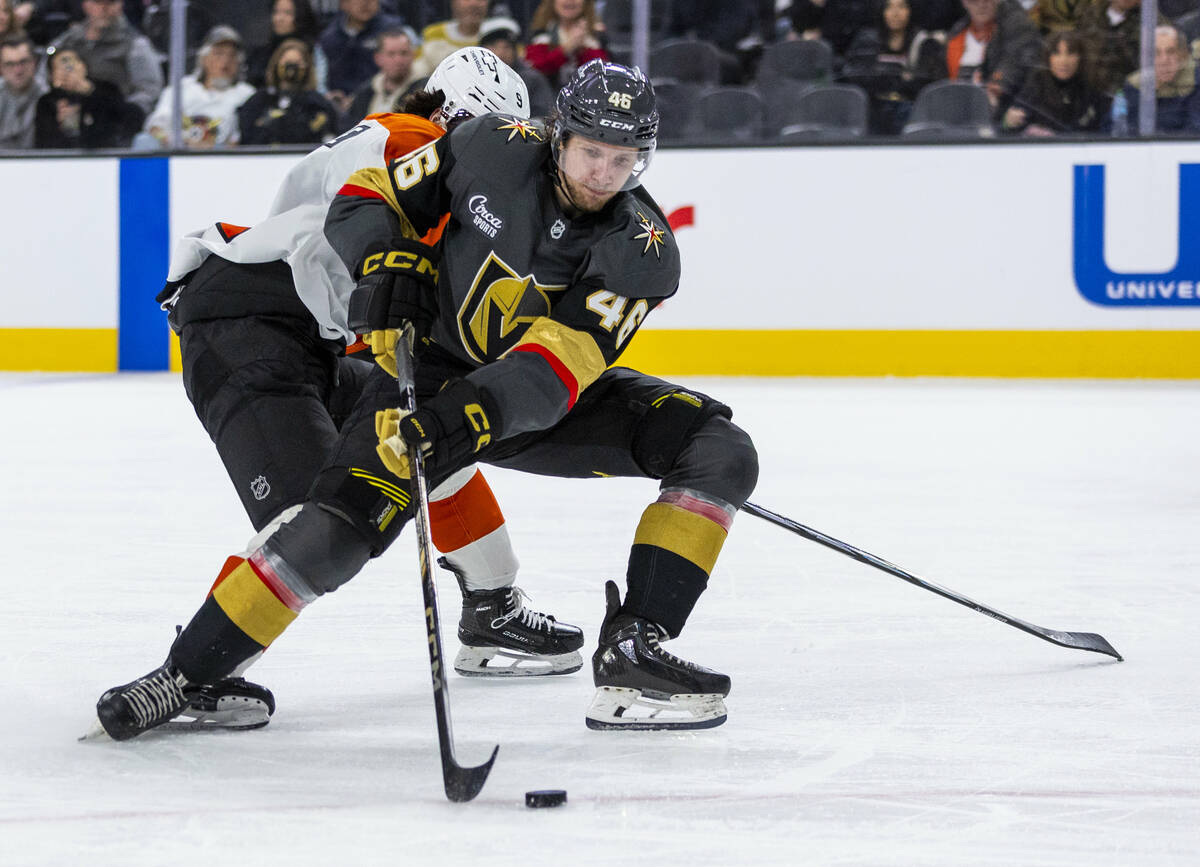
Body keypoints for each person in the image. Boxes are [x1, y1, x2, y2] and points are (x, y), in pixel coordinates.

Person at [91, 57, 757, 740]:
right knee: (333, 528)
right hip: (430, 376)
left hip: (530, 401)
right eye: (591, 151)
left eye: (623, 160)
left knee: (719, 449)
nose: (601, 175)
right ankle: (184, 671)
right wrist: (385, 257)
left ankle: (633, 649)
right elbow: (366, 197)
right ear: (560, 135)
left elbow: (555, 369)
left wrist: (461, 419)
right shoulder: (488, 147)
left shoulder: (643, 248)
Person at [136, 25, 255, 150]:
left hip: (220, 155)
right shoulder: (181, 88)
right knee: (144, 141)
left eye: (232, 56)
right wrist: (172, 141)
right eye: (218, 54)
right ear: (204, 58)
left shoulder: (246, 94)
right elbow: (156, 127)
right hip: (176, 151)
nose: (225, 61)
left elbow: (240, 139)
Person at [843, 0, 947, 134]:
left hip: (912, 111)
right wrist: (901, 79)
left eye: (901, 7)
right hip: (873, 109)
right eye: (889, 7)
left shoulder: (924, 43)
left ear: (911, 10)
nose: (895, 13)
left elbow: (928, 82)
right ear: (882, 11)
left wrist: (888, 79)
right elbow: (856, 76)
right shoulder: (866, 41)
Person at [49, 0, 161, 117]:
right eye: (98, 2)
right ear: (86, 4)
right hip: (68, 114)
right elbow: (45, 71)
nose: (103, 9)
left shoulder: (135, 45)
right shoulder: (68, 40)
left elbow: (149, 92)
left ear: (120, 5)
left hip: (114, 118)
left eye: (110, 3)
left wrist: (124, 115)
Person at [945, 0, 1040, 118]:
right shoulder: (956, 34)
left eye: (987, 0)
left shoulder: (1017, 24)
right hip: (960, 112)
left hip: (1006, 111)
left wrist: (997, 87)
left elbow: (1015, 60)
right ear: (964, 3)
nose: (981, 5)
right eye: (974, 1)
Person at [34, 44, 141, 147]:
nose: (67, 71)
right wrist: (60, 125)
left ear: (84, 67)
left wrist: (90, 93)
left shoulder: (107, 90)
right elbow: (44, 142)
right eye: (60, 67)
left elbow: (126, 117)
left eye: (71, 65)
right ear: (52, 76)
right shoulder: (46, 103)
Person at [237, 37, 339, 144]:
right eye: (287, 62)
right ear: (277, 64)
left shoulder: (318, 103)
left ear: (307, 67)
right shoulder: (259, 100)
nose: (291, 68)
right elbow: (247, 137)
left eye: (298, 62)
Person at [1001, 29, 1104, 135]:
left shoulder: (1091, 89)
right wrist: (1009, 122)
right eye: (1056, 53)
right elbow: (1010, 126)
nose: (1064, 61)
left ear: (1080, 58)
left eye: (1071, 53)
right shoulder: (1035, 84)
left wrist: (1053, 135)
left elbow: (1092, 132)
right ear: (1048, 58)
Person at [319, 0, 407, 115]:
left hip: (382, 100)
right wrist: (329, 96)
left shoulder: (395, 30)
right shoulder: (329, 37)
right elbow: (320, 78)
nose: (365, 3)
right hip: (339, 106)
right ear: (343, 4)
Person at [1117, 24, 1200, 134]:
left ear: (1182, 55)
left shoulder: (1197, 81)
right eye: (1156, 53)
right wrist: (1149, 93)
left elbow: (1194, 130)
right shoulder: (1134, 85)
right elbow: (1118, 128)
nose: (1164, 60)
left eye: (1171, 52)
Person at [343, 25, 419, 127]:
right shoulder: (365, 94)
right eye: (391, 54)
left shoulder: (423, 90)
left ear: (412, 55)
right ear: (378, 58)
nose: (398, 60)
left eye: (404, 53)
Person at [477, 16, 554, 116]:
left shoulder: (532, 79)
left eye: (507, 47)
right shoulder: (471, 75)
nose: (500, 52)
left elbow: (544, 117)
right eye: (493, 46)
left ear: (515, 51)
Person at [246, 0, 329, 91]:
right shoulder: (261, 53)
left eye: (287, 13)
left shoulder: (314, 51)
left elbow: (320, 87)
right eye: (276, 12)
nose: (279, 18)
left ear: (300, 16)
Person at [524, 0, 608, 88]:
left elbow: (601, 72)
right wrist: (566, 49)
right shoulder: (539, 33)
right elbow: (534, 71)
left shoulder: (597, 35)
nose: (570, 1)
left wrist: (583, 47)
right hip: (547, 96)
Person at [411, 0, 490, 79]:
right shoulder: (433, 34)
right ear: (453, 3)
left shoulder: (498, 33)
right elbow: (416, 75)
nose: (473, 4)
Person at [0, 34, 45, 148]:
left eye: (23, 62)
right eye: (10, 64)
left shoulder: (47, 96)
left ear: (34, 62)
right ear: (1, 67)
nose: (18, 70)